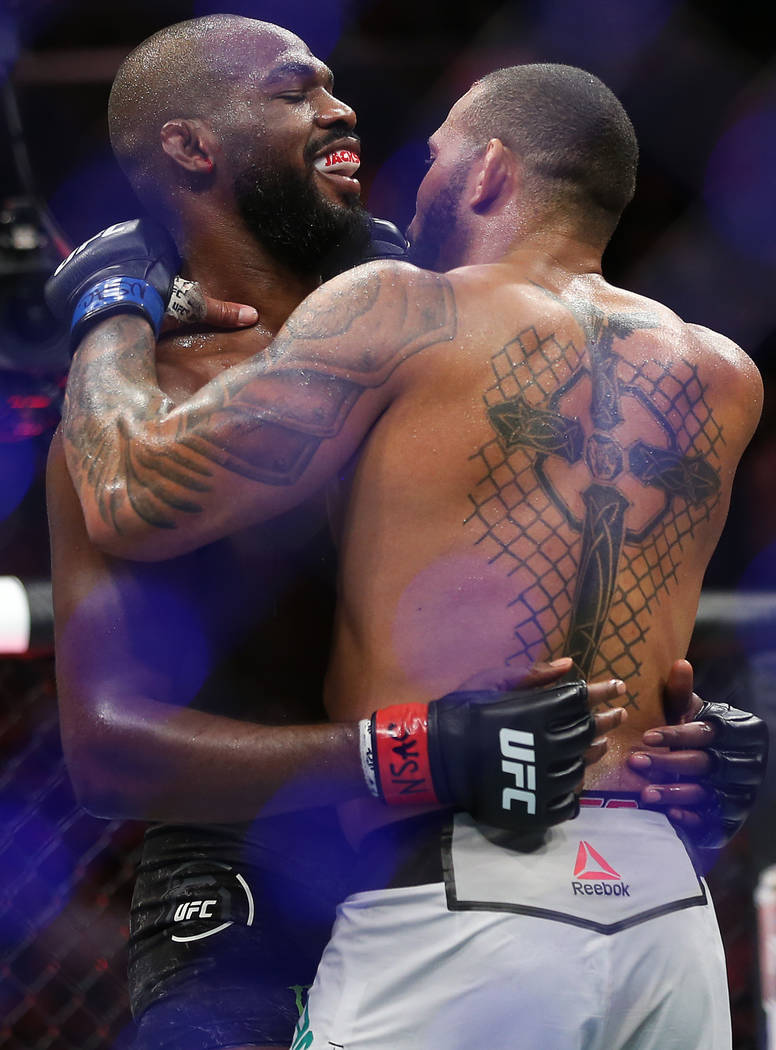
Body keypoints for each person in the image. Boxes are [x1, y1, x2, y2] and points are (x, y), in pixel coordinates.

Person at [46, 33, 767, 1050]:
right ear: (192, 148)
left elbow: (574, 602)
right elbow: (105, 749)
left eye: (342, 90)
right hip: (259, 879)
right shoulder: (135, 402)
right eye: (299, 93)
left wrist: (680, 734)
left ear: (485, 174)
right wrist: (410, 753)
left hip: (477, 864)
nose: (346, 115)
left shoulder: (418, 326)